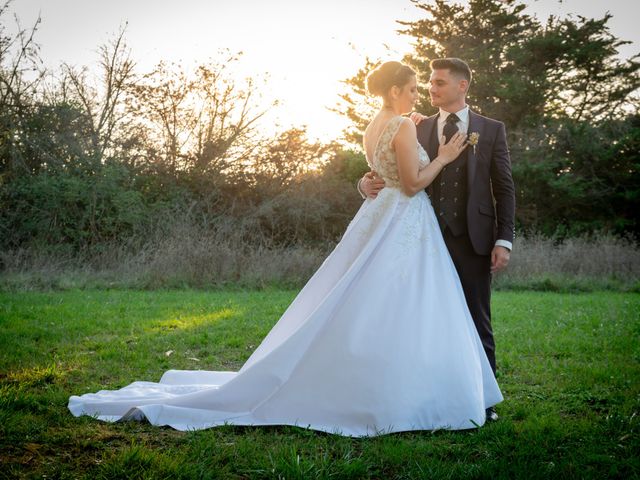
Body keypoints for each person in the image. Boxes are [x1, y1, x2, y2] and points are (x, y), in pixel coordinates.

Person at [68, 61, 502, 437]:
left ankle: (397, 380)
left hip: (386, 219)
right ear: (394, 91)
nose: (419, 95)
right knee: (397, 301)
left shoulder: (377, 123)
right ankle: (403, 390)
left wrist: (373, 178)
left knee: (367, 297)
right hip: (404, 218)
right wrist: (442, 158)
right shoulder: (407, 123)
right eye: (412, 88)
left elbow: (385, 168)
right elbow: (409, 182)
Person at [358, 58, 516, 421]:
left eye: (439, 83)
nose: (430, 89)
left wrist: (503, 239)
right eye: (427, 83)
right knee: (425, 318)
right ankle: (430, 391)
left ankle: (483, 401)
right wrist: (363, 184)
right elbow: (386, 171)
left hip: (472, 239)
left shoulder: (490, 130)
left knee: (477, 319)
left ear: (462, 86)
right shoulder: (414, 124)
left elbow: (504, 188)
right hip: (421, 239)